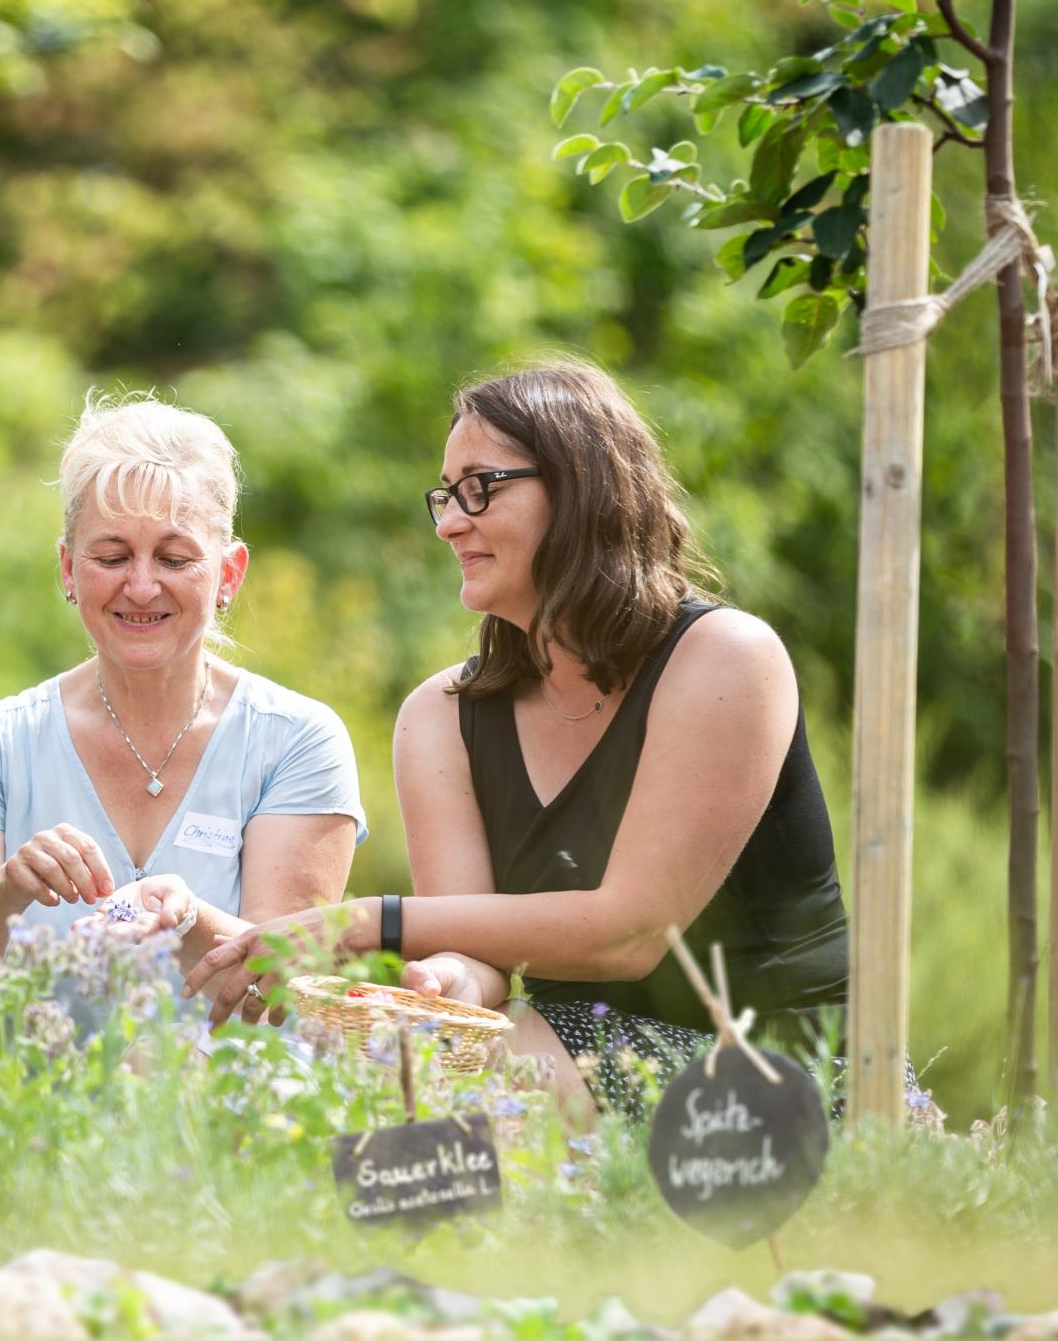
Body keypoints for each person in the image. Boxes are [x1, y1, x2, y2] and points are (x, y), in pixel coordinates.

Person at [185, 361, 849, 1116]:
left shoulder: (726, 659)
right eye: (444, 494)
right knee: (385, 1061)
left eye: (481, 488)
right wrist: (442, 988)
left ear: (581, 489)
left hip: (778, 1072)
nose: (448, 522)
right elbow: (476, 953)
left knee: (448, 1089)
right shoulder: (441, 717)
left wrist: (367, 923)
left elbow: (632, 932)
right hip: (567, 1051)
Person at [0, 396, 366, 991]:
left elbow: (286, 987)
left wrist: (186, 917)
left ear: (229, 574)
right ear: (68, 569)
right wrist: (8, 888)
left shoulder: (296, 740)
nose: (141, 587)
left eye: (174, 558)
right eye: (112, 556)